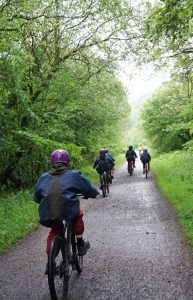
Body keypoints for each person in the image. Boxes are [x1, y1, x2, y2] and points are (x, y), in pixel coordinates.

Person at [34, 149, 98, 273]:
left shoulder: (43, 177)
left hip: (48, 212)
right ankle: (79, 243)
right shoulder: (73, 175)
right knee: (77, 215)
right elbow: (88, 188)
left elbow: (37, 197)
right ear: (67, 162)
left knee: (55, 231)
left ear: (51, 162)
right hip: (69, 210)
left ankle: (50, 262)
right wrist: (93, 193)